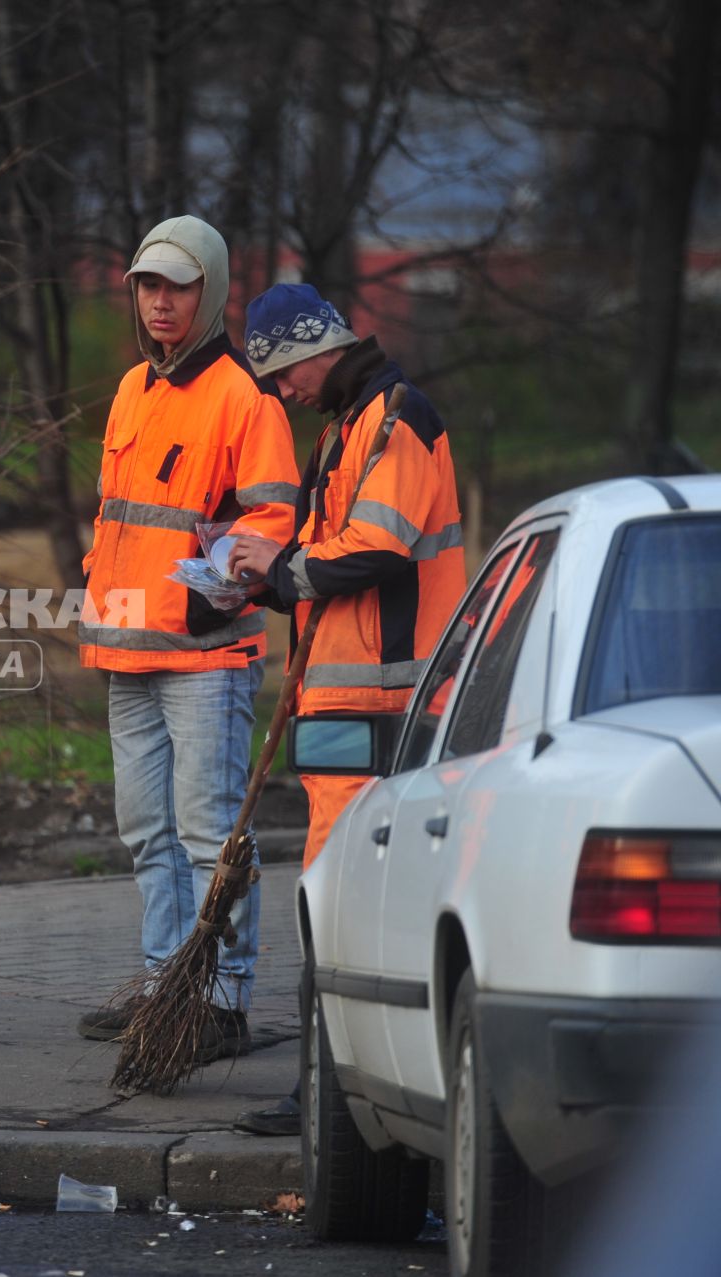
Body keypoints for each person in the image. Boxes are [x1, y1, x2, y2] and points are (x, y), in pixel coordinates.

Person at [225, 282, 464, 1136]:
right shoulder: (354, 424)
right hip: (353, 696)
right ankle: (333, 1087)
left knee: (338, 899)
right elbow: (339, 565)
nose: (282, 393)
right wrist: (275, 572)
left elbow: (374, 547)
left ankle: (329, 1094)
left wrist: (281, 564)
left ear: (313, 352)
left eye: (284, 375)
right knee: (340, 900)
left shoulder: (394, 419)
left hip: (384, 702)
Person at [73, 215, 300, 1062]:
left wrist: (225, 584)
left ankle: (223, 1000)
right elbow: (118, 516)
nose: (160, 301)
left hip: (205, 654)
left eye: (177, 285)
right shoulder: (135, 387)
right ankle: (165, 990)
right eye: (147, 285)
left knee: (208, 835)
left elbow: (273, 521)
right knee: (147, 833)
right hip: (129, 650)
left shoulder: (246, 396)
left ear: (210, 289)